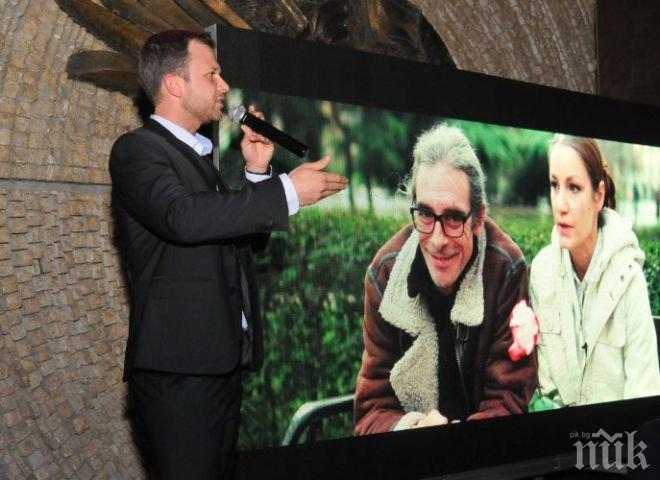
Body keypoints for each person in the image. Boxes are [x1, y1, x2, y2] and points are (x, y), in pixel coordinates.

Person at [109, 30, 346, 479]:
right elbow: (181, 218)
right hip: (179, 371)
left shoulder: (200, 160)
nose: (223, 86)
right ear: (176, 85)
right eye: (212, 74)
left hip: (219, 366)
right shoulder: (137, 150)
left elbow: (240, 242)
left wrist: (258, 172)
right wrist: (287, 191)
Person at [354, 123, 536, 434]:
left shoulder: (505, 270)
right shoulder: (384, 276)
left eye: (453, 218)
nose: (437, 239)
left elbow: (508, 400)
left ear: (478, 217)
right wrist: (410, 429)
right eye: (425, 214)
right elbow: (371, 409)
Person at [530, 135, 660, 407]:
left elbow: (644, 395)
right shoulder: (541, 272)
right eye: (555, 185)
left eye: (574, 188)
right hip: (560, 444)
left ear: (598, 195)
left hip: (622, 444)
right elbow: (545, 393)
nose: (560, 205)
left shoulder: (628, 277)